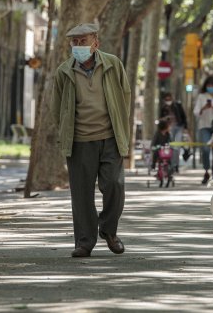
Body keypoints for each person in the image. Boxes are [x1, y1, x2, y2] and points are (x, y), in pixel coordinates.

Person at [51, 22, 130, 257]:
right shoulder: (64, 71)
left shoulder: (113, 64)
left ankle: (109, 230)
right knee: (82, 194)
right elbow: (58, 108)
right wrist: (65, 133)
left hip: (110, 137)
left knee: (115, 186)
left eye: (82, 41)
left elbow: (124, 96)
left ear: (95, 42)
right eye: (74, 42)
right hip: (80, 141)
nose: (78, 46)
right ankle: (85, 242)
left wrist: (121, 129)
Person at [159, 92, 188, 173]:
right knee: (170, 147)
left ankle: (176, 165)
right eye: (166, 99)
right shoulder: (163, 108)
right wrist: (165, 118)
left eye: (169, 99)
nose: (168, 100)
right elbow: (161, 119)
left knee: (177, 146)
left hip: (179, 127)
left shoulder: (177, 105)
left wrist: (185, 128)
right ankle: (170, 164)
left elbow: (183, 117)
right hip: (169, 128)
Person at [150, 120, 173, 187]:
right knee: (155, 154)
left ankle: (170, 171)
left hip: (166, 151)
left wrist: (170, 145)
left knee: (169, 158)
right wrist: (155, 146)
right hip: (159, 150)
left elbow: (170, 142)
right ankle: (153, 166)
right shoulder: (157, 134)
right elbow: (153, 143)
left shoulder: (168, 134)